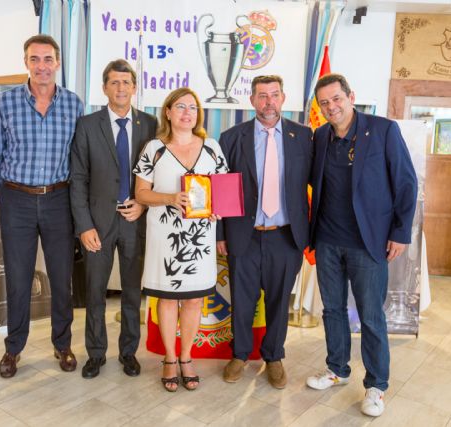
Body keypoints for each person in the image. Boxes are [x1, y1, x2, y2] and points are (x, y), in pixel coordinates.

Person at [305, 73, 417, 417]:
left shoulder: (383, 130)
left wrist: (400, 232)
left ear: (350, 96)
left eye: (336, 99)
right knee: (332, 310)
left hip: (368, 243)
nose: (331, 107)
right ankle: (337, 369)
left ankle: (376, 385)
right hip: (327, 240)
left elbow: (406, 182)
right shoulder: (320, 135)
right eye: (324, 103)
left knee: (370, 316)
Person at [0, 35, 84, 378]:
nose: (41, 66)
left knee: (61, 277)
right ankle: (13, 348)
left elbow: (78, 155)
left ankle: (63, 344)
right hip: (17, 199)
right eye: (34, 59)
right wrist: (9, 192)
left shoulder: (73, 104)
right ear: (26, 62)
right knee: (18, 278)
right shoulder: (5, 103)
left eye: (47, 59)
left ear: (57, 62)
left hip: (59, 199)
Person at [217, 75, 313, 389]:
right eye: (262, 95)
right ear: (252, 100)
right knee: (242, 300)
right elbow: (220, 189)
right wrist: (220, 234)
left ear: (283, 98)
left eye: (274, 95)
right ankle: (240, 354)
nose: (268, 101)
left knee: (278, 300)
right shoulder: (232, 137)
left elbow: (317, 184)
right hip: (243, 234)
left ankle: (273, 356)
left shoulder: (304, 136)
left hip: (286, 235)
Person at [133, 87, 228, 392]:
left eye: (193, 107)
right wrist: (171, 198)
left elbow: (223, 193)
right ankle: (170, 358)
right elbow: (141, 194)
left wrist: (218, 209)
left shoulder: (212, 148)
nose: (188, 113)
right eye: (181, 107)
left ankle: (186, 357)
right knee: (167, 298)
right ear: (168, 112)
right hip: (165, 236)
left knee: (194, 299)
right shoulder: (154, 148)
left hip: (199, 239)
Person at [70, 59, 157, 379]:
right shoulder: (87, 125)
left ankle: (128, 352)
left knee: (132, 292)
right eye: (114, 82)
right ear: (104, 88)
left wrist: (144, 205)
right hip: (97, 223)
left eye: (126, 82)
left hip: (135, 220)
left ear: (134, 88)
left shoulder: (150, 124)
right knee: (95, 291)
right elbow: (78, 178)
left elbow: (158, 174)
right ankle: (95, 353)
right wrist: (84, 226)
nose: (121, 88)